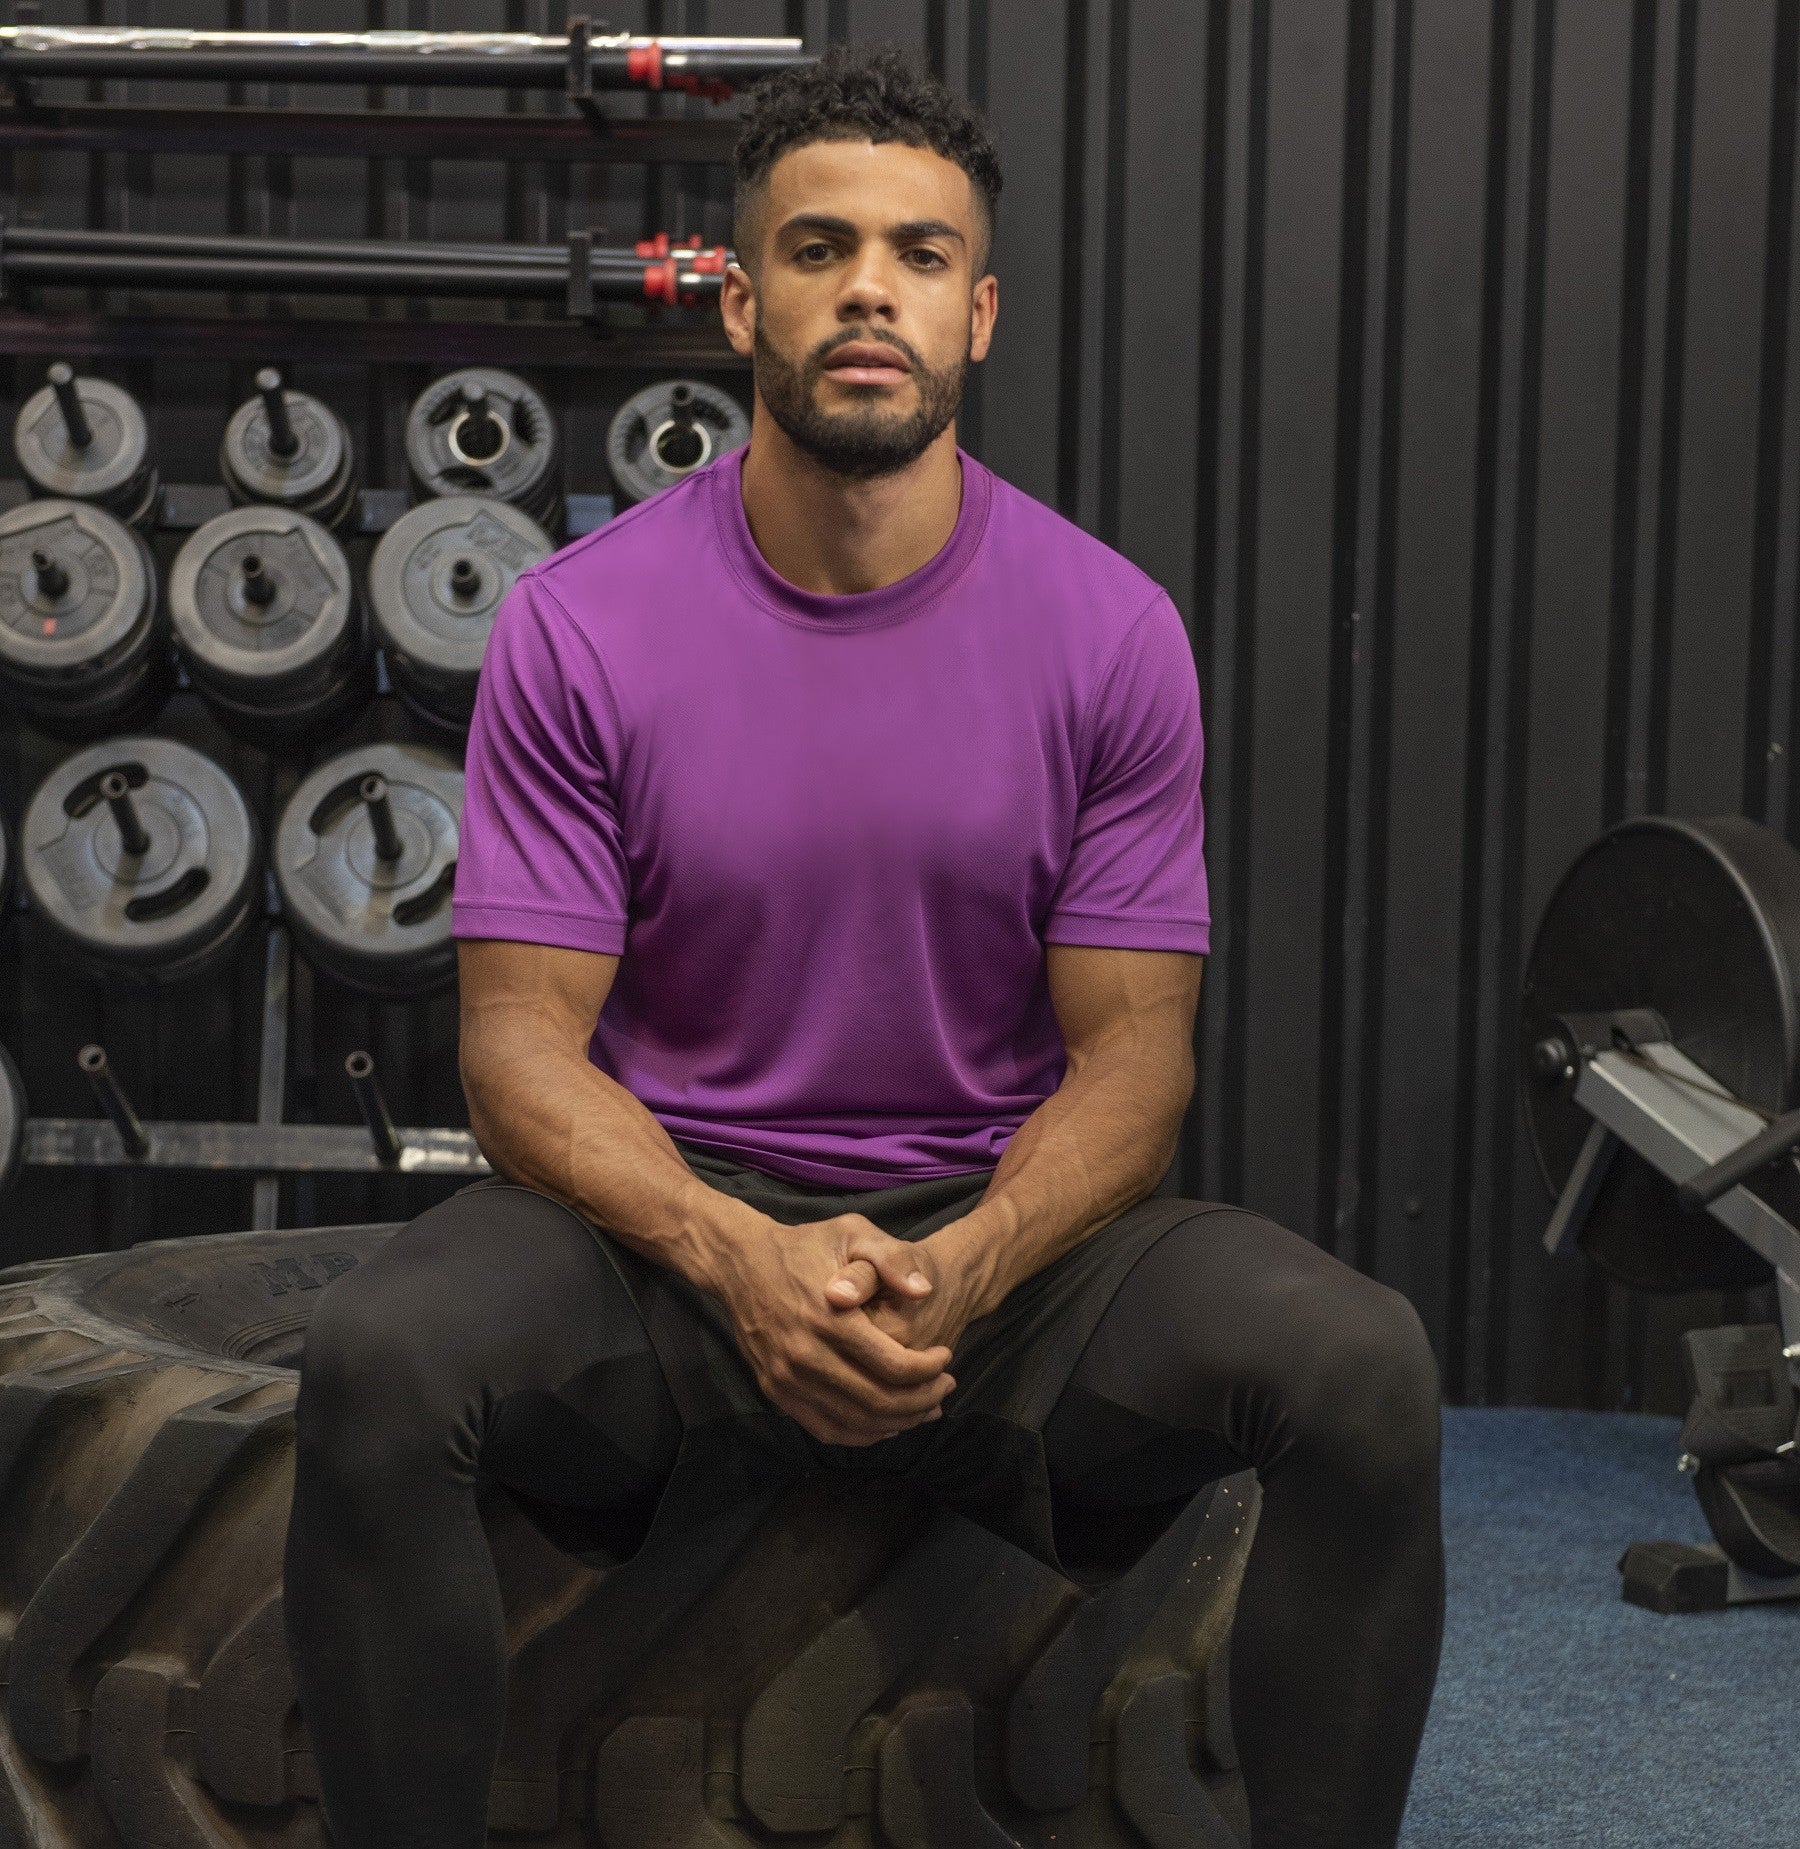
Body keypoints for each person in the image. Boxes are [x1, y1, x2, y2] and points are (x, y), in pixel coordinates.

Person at [282, 45, 1444, 1849]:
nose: (869, 291)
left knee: (1364, 1367)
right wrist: (732, 1252)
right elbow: (516, 1049)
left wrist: (972, 1263)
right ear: (744, 300)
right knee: (379, 1359)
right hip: (666, 1253)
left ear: (979, 313)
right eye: (820, 249)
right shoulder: (581, 629)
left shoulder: (1109, 631)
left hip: (994, 1250)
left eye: (919, 253)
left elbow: (1136, 1056)